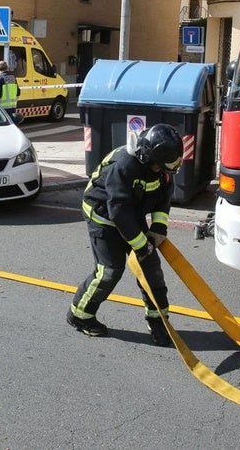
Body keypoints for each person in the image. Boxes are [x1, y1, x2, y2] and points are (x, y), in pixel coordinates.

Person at [66, 124, 184, 346]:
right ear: (150, 158)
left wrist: (158, 228)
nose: (164, 172)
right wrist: (141, 245)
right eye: (161, 167)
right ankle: (80, 315)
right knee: (109, 271)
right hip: (103, 216)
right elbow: (118, 211)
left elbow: (163, 197)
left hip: (130, 212)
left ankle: (158, 322)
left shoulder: (162, 168)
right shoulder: (123, 165)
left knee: (151, 271)